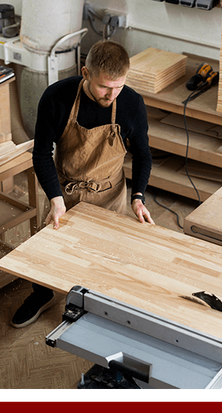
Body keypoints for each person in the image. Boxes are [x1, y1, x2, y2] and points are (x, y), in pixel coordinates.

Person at [10, 40, 154, 328]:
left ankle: (96, 304)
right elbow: (40, 153)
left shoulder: (131, 103)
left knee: (105, 255)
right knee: (48, 252)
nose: (112, 95)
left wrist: (138, 196)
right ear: (86, 72)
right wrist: (55, 197)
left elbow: (143, 153)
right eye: (105, 87)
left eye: (119, 86)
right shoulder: (57, 97)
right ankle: (42, 293)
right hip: (66, 191)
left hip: (109, 193)